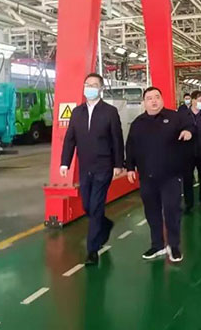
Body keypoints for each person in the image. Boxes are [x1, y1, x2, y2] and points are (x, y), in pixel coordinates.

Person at [60, 73, 124, 266]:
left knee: (96, 206)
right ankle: (105, 224)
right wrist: (65, 163)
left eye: (94, 85)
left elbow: (117, 140)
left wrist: (118, 164)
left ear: (101, 89)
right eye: (87, 84)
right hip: (85, 166)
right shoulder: (76, 112)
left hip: (104, 166)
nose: (90, 88)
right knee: (88, 205)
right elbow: (70, 139)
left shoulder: (110, 112)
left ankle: (92, 250)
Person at [126, 87, 193, 263]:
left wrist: (188, 132)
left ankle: (174, 245)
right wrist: (130, 167)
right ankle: (157, 245)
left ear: (162, 99)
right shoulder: (138, 123)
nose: (154, 101)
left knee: (172, 210)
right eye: (149, 98)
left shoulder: (175, 117)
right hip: (147, 177)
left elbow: (190, 125)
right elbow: (130, 147)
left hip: (171, 175)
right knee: (152, 212)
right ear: (144, 102)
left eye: (157, 97)